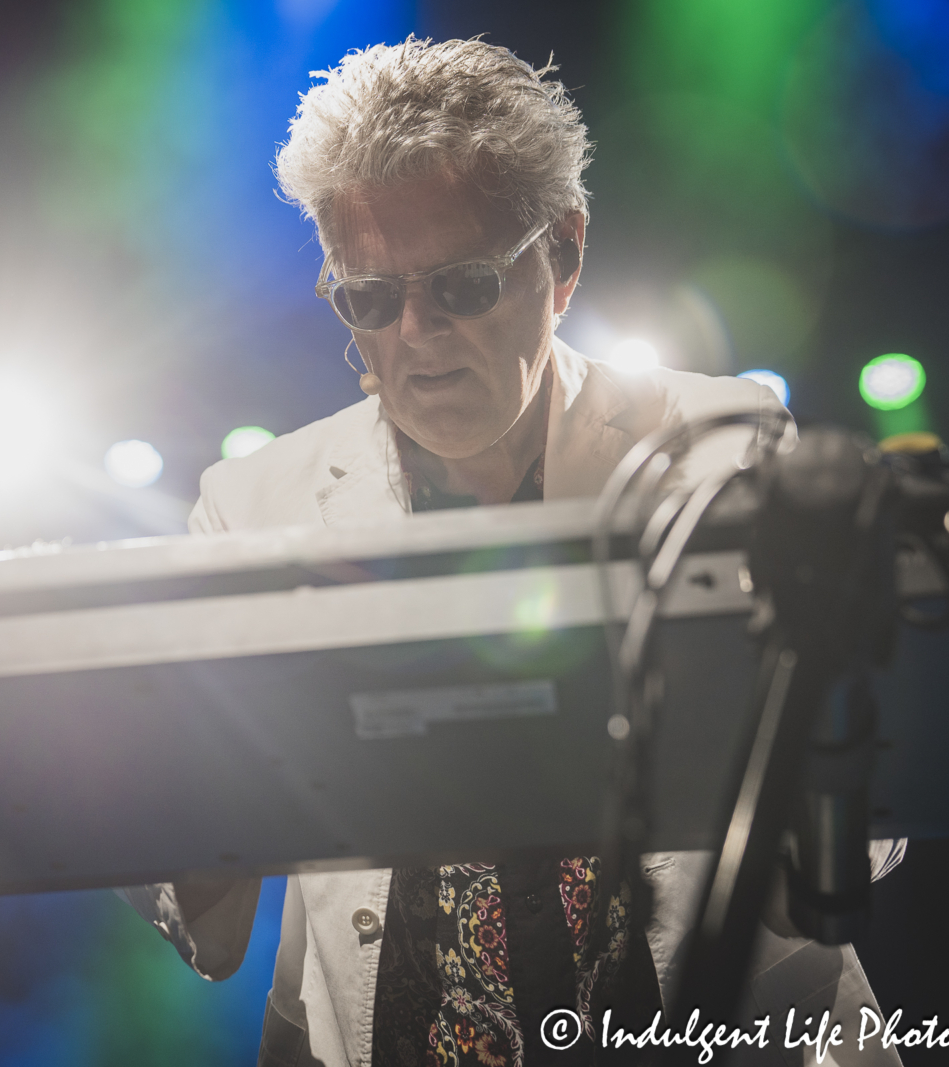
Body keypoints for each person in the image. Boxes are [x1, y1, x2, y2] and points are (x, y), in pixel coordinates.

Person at [121, 37, 904, 1067]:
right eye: (366, 297)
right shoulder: (253, 501)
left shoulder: (726, 444)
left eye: (462, 284)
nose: (413, 333)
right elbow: (192, 893)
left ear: (565, 256)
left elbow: (871, 814)